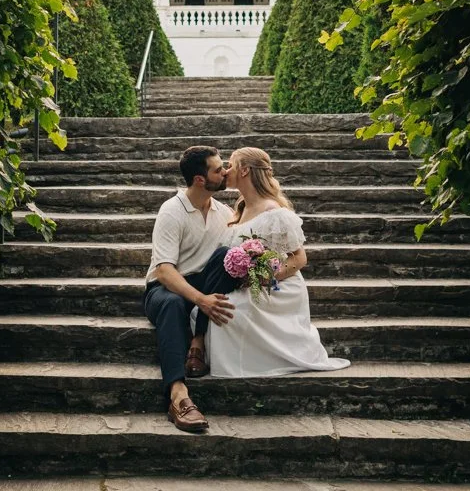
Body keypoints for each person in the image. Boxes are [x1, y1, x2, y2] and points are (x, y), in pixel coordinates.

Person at [206, 146, 350, 378]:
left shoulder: (274, 211)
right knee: (215, 307)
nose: (226, 170)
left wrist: (265, 277)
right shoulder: (239, 210)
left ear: (244, 170)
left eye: (230, 165)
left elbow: (299, 258)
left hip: (278, 286)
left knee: (231, 311)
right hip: (247, 283)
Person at [141, 145, 244, 433]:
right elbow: (163, 270)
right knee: (173, 304)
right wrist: (201, 301)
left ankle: (197, 342)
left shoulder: (224, 211)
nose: (225, 172)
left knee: (228, 255)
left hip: (202, 284)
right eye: (218, 169)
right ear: (200, 179)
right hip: (164, 288)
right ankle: (178, 396)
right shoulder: (172, 210)